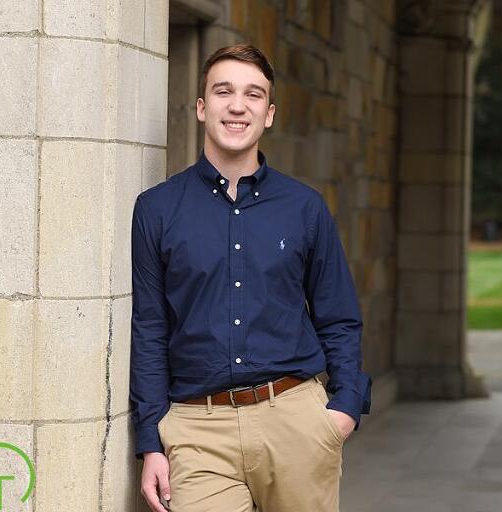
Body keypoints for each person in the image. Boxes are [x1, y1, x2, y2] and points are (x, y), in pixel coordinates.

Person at [129, 44, 371, 512]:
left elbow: (339, 317)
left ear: (269, 114)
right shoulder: (156, 210)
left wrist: (344, 409)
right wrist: (151, 443)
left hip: (296, 421)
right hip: (198, 429)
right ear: (201, 107)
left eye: (253, 94)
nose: (237, 105)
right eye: (223, 91)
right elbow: (150, 330)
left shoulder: (305, 208)